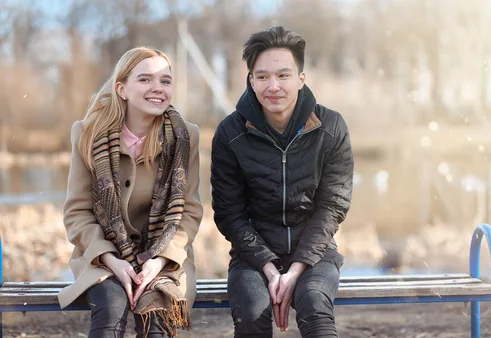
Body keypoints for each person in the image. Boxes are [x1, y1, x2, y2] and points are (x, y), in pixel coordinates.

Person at [210, 26, 354, 338]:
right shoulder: (230, 133)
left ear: (301, 79)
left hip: (315, 254)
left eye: (283, 75)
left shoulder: (331, 127)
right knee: (251, 313)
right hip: (253, 257)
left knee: (315, 305)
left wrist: (297, 269)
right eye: (262, 77)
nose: (273, 86)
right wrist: (269, 267)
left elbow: (332, 206)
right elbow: (229, 214)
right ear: (251, 81)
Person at [57, 46, 203, 338]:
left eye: (165, 80)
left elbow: (189, 211)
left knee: (156, 316)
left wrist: (160, 261)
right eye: (145, 79)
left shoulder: (185, 136)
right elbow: (77, 213)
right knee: (111, 307)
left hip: (166, 258)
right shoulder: (87, 134)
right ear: (121, 88)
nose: (157, 88)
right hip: (104, 256)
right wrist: (111, 259)